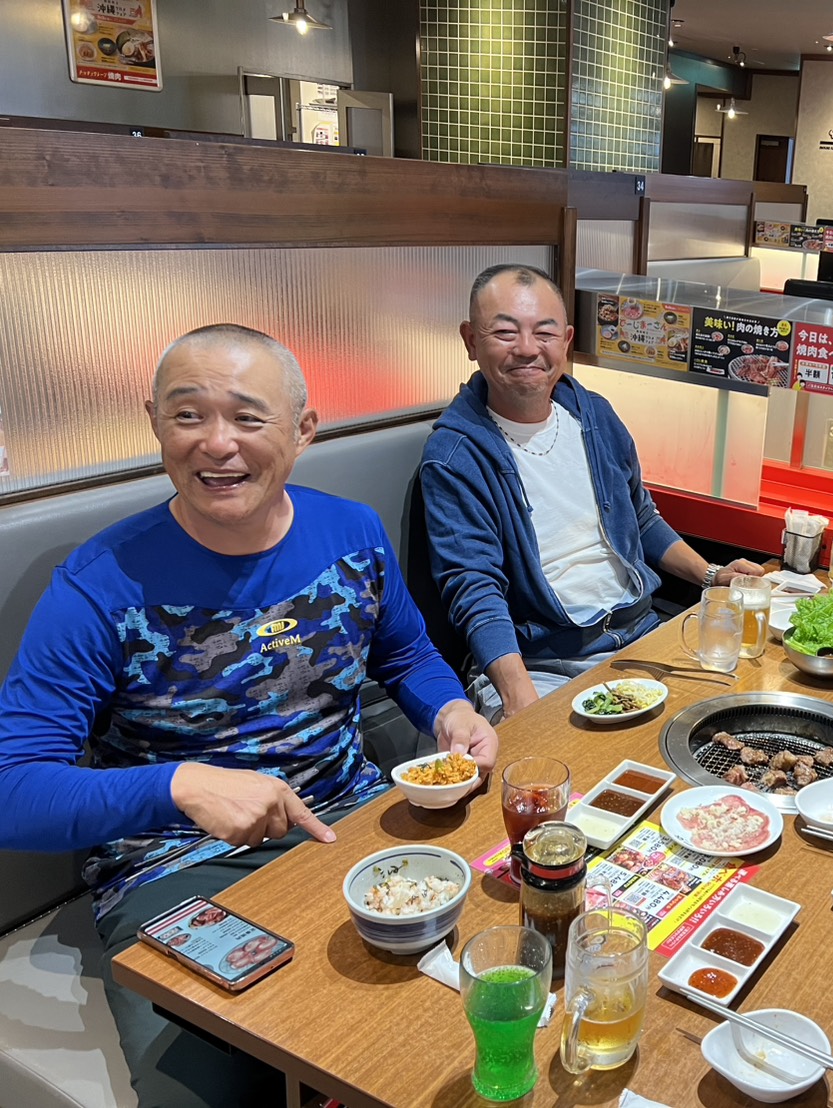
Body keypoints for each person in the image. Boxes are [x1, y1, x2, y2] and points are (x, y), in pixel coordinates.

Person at [0, 324, 499, 1108]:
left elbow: (404, 654)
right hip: (177, 869)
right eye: (187, 415)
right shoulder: (98, 585)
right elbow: (12, 790)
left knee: (487, 994)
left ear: (303, 429)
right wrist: (179, 786)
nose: (216, 444)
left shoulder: (351, 533)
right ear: (155, 423)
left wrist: (450, 709)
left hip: (352, 821)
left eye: (246, 416)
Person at [419, 264, 764, 721]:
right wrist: (521, 701)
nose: (527, 348)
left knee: (742, 708)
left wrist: (711, 575)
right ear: (470, 341)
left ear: (565, 341)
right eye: (505, 332)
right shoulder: (455, 456)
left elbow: (640, 518)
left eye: (544, 333)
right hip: (543, 664)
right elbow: (474, 587)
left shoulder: (595, 416)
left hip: (641, 637)